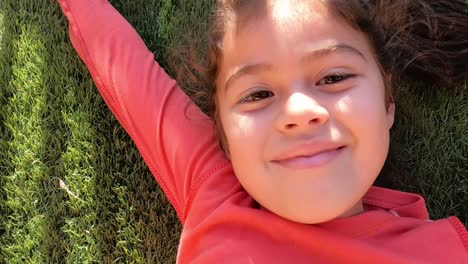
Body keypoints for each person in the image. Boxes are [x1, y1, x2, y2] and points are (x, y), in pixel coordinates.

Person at [57, 0, 468, 262]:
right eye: (257, 95)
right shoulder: (214, 187)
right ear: (224, 137)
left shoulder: (446, 252)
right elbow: (123, 65)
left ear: (387, 101)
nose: (300, 111)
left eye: (333, 77)